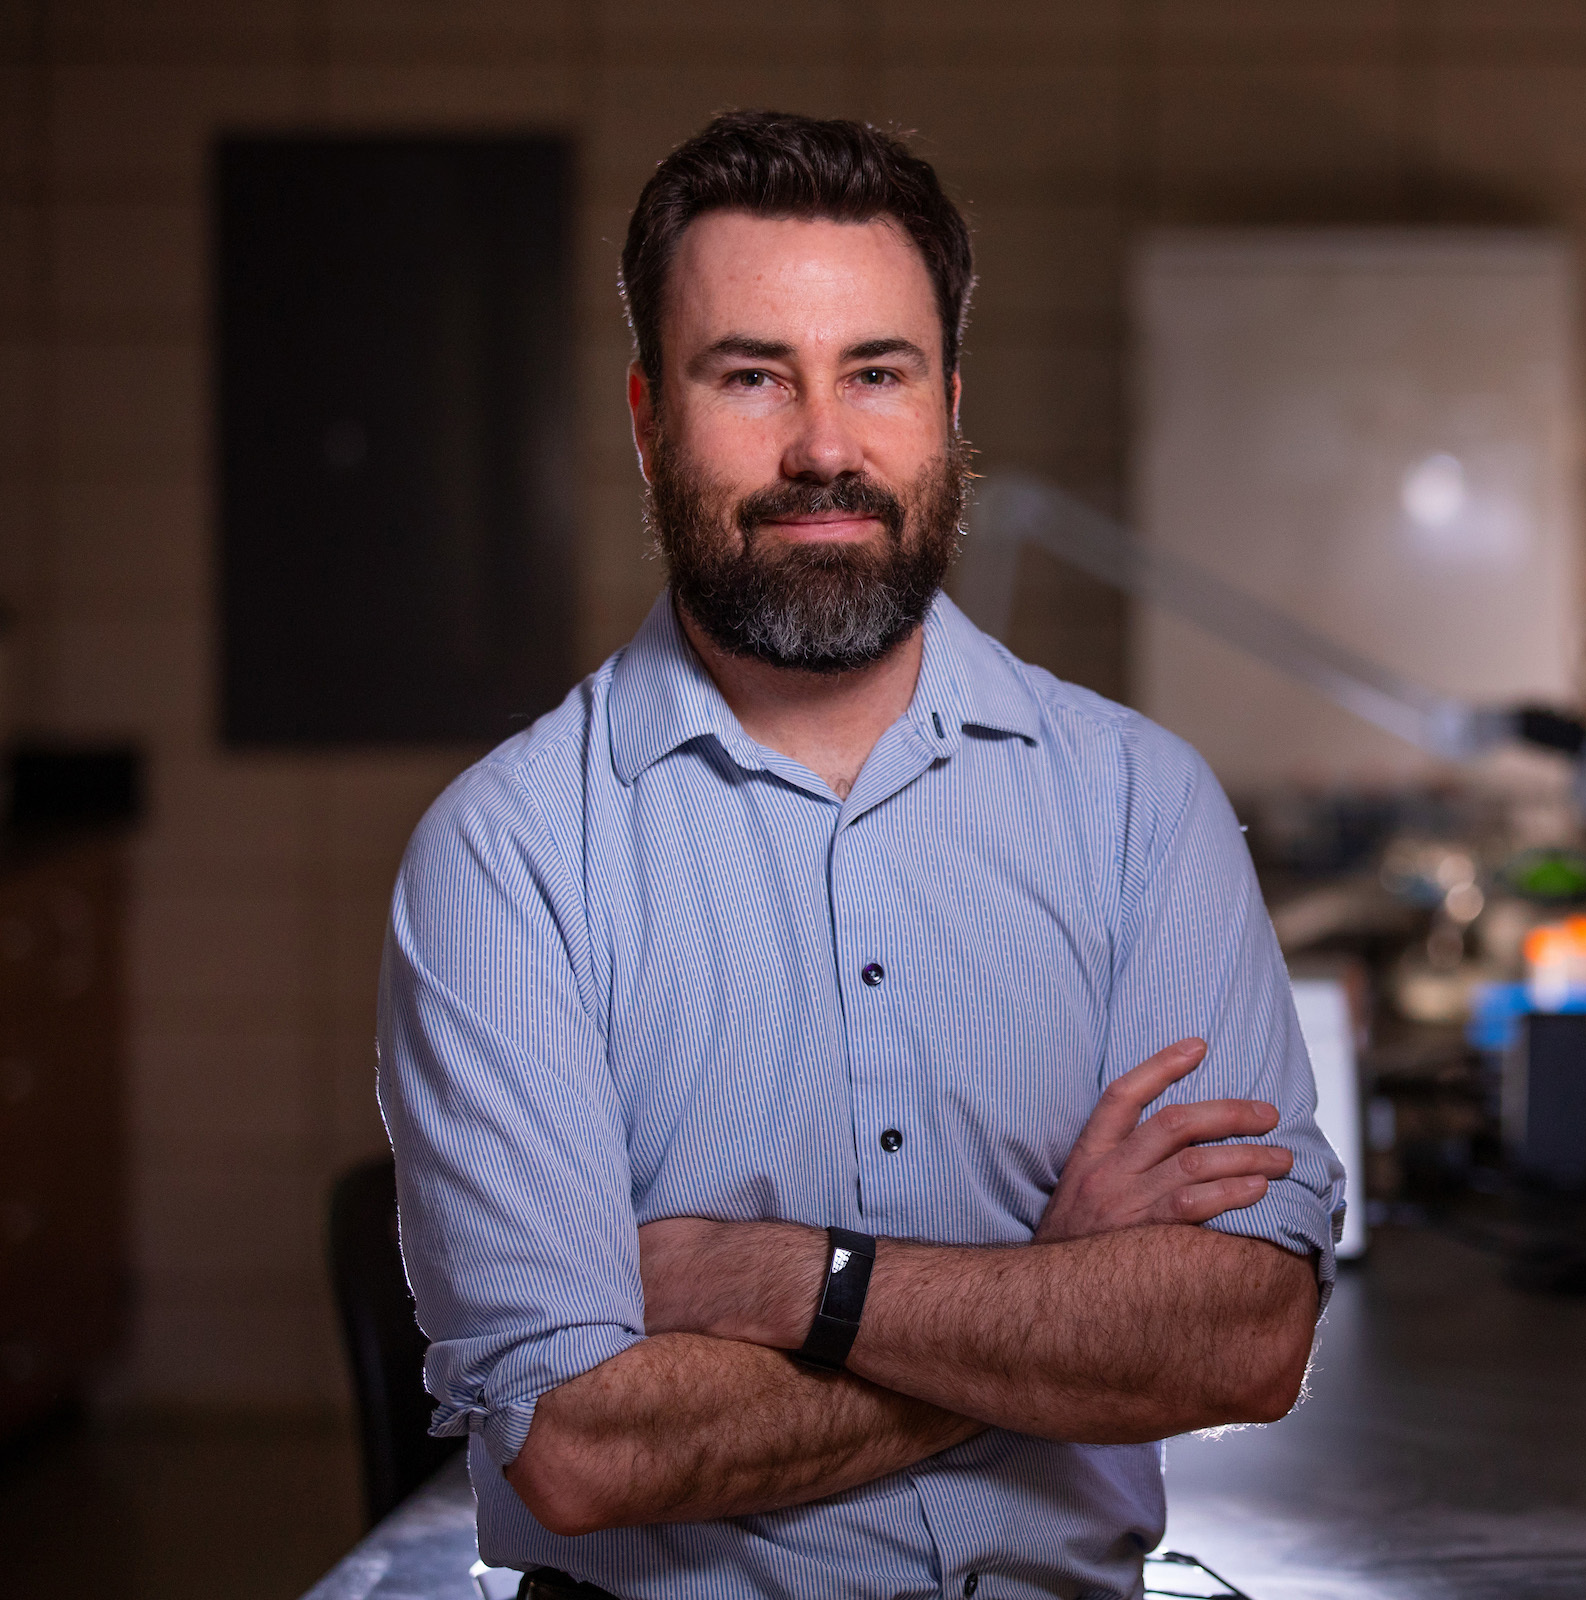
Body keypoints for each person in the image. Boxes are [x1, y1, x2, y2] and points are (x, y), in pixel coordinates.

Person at [376, 111, 1343, 1600]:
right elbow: (581, 1453)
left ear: (951, 408)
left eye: (876, 374)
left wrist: (775, 1281)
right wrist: (1049, 1304)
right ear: (648, 421)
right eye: (751, 375)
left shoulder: (1139, 805)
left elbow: (1246, 1338)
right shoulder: (508, 862)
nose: (823, 447)